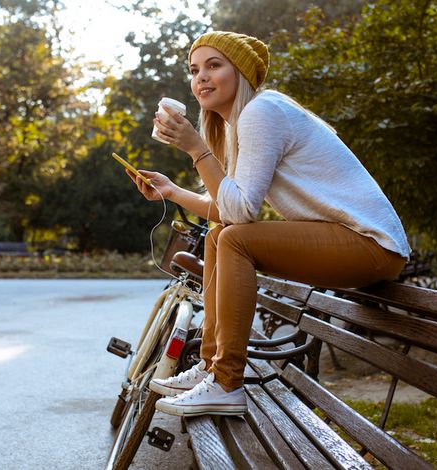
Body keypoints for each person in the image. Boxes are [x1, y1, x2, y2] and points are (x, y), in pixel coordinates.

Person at [125, 31, 411, 417]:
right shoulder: (237, 124)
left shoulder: (262, 111)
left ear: (239, 72)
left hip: (371, 245)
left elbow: (240, 213)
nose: (201, 78)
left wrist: (196, 149)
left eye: (214, 65)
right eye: (194, 70)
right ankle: (211, 369)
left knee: (233, 239)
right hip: (347, 243)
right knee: (220, 237)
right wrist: (172, 191)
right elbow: (228, 210)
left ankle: (227, 383)